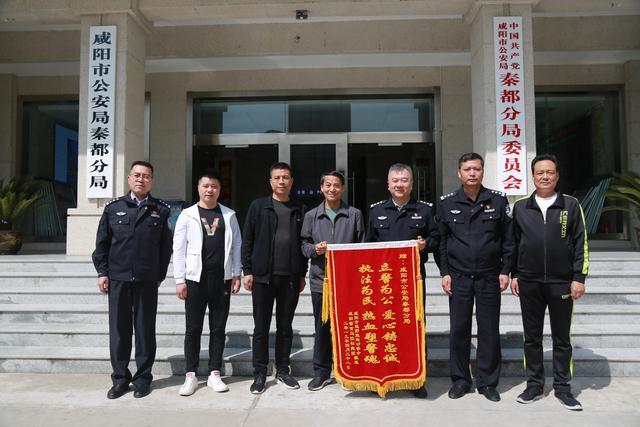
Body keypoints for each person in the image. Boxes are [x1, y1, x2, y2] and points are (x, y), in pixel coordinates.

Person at [510, 154, 588, 411]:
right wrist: (514, 274)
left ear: (557, 175)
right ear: (532, 176)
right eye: (540, 172)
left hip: (561, 283)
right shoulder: (521, 207)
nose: (545, 176)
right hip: (529, 282)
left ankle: (563, 388)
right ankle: (534, 385)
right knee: (531, 338)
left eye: (550, 172)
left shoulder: (571, 205)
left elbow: (580, 243)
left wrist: (578, 277)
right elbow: (513, 244)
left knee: (561, 338)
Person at [436, 152, 514, 402]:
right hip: (458, 278)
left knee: (489, 330)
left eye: (477, 169)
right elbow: (442, 242)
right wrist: (445, 272)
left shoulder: (498, 201)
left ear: (483, 172)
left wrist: (505, 271)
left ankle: (488, 383)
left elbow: (508, 241)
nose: (472, 173)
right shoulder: (447, 203)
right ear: (459, 173)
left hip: (489, 277)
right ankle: (460, 380)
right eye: (467, 169)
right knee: (459, 330)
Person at [92, 160, 173, 399]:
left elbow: (165, 248)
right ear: (129, 178)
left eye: (146, 176)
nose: (141, 179)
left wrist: (159, 275)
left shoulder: (161, 209)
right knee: (119, 330)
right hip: (118, 278)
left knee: (145, 330)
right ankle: (120, 379)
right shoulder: (113, 208)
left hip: (147, 280)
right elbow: (102, 244)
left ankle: (142, 379)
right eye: (137, 175)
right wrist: (102, 272)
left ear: (152, 181)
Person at [366, 163, 439, 398]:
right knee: (384, 327)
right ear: (388, 184)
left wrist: (425, 244)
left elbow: (437, 238)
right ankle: (383, 376)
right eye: (395, 180)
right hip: (383, 283)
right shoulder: (376, 211)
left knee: (415, 327)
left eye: (404, 180)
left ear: (412, 183)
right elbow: (366, 246)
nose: (400, 184)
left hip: (413, 281)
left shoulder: (425, 210)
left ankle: (417, 379)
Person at [172, 170, 242, 396]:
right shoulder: (187, 215)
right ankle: (190, 375)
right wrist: (179, 279)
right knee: (192, 329)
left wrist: (236, 274)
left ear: (219, 190)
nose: (210, 190)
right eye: (206, 186)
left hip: (221, 280)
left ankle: (214, 373)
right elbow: (179, 248)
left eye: (214, 186)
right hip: (194, 280)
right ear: (199, 189)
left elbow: (237, 246)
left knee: (218, 328)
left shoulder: (229, 215)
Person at [242, 162, 308, 394]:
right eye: (277, 177)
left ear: (291, 181)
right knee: (261, 328)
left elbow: (304, 243)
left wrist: (302, 273)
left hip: (289, 278)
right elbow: (247, 239)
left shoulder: (300, 208)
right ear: (270, 181)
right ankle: (259, 373)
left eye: (286, 177)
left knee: (285, 327)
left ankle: (282, 370)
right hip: (262, 277)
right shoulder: (259, 206)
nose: (282, 181)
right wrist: (247, 270)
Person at [301, 171, 365, 391]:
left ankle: (350, 370)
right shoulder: (311, 215)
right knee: (322, 327)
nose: (332, 189)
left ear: (343, 188)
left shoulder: (354, 214)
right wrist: (315, 250)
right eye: (328, 185)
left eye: (336, 185)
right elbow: (304, 246)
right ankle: (321, 372)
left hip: (348, 281)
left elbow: (361, 246)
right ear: (321, 188)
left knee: (349, 327)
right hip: (322, 281)